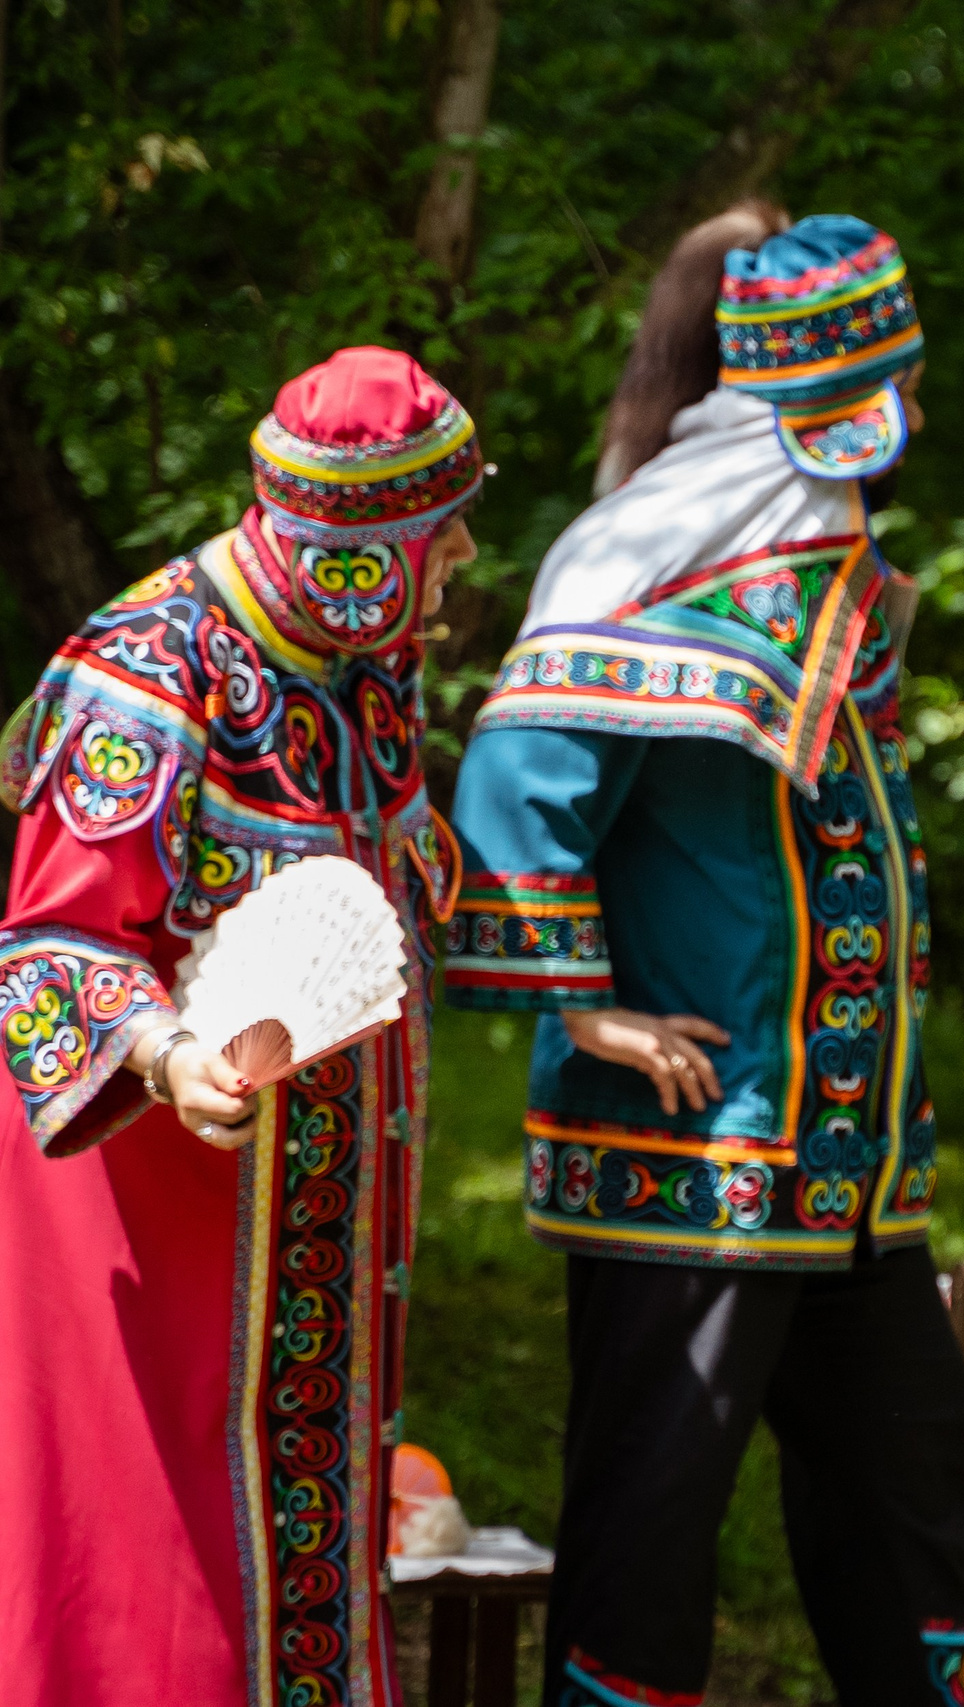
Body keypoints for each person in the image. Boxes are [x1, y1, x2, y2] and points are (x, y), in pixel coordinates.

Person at [446, 210, 964, 1707]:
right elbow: (514, 787)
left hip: (847, 1164)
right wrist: (590, 1011)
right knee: (652, 1515)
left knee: (913, 1486)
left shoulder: (818, 563)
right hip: (699, 1151)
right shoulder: (662, 567)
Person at [0, 347, 479, 1707]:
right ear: (359, 553)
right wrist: (166, 1055)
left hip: (319, 1225)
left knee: (303, 1552)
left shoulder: (368, 678)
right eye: (437, 538)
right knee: (156, 1580)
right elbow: (52, 945)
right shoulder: (142, 673)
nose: (457, 564)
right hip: (166, 1217)